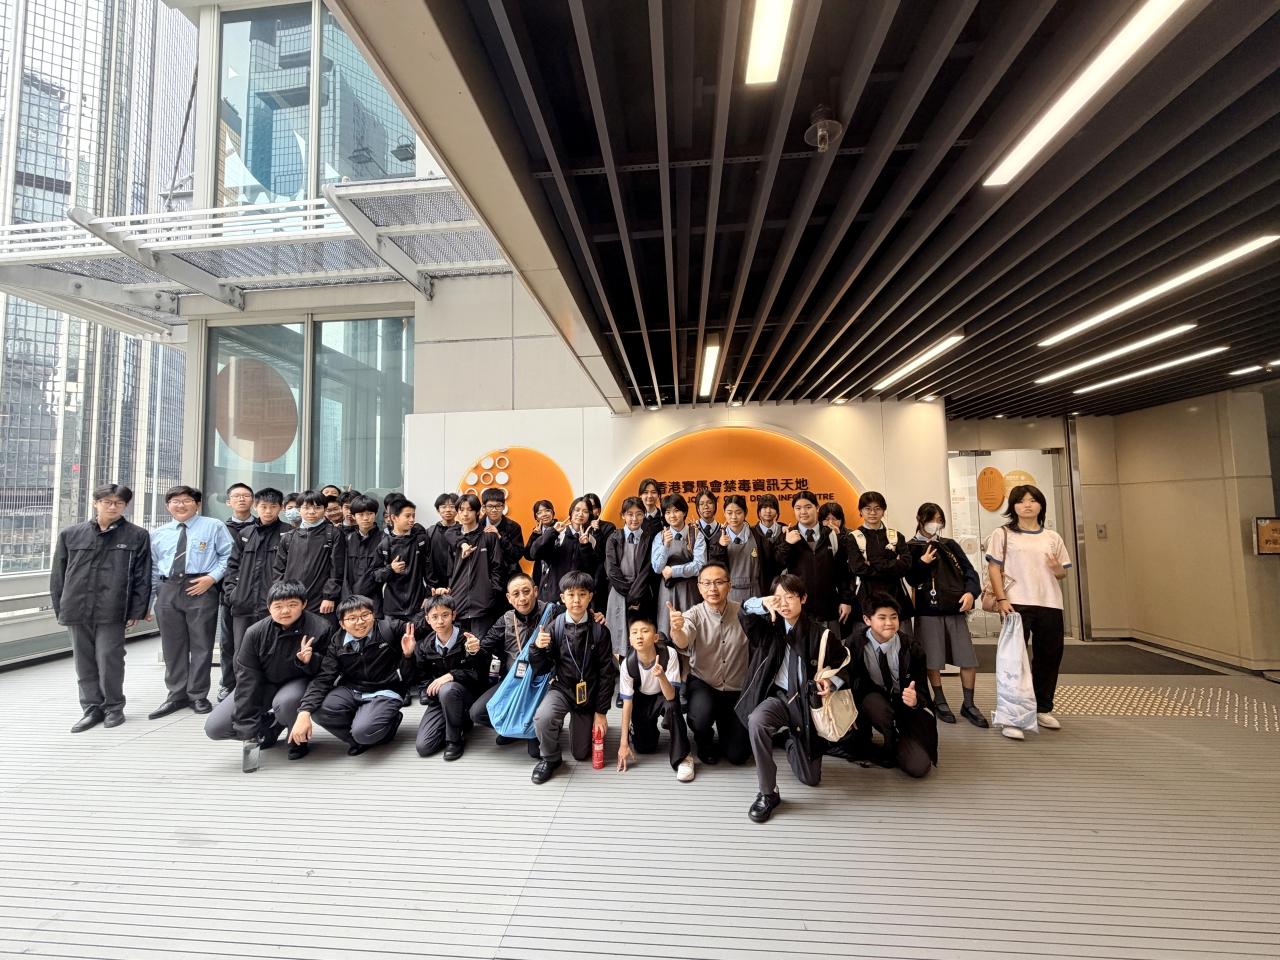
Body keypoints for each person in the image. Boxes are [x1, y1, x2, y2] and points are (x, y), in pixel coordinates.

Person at [737, 574, 850, 823]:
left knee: (810, 779)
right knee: (757, 721)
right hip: (778, 697)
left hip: (806, 706)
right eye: (778, 598)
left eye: (790, 597)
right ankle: (768, 792)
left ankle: (789, 740)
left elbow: (846, 666)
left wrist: (831, 682)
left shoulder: (821, 634)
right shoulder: (768, 627)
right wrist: (761, 604)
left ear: (803, 598)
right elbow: (744, 613)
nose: (784, 603)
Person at [50, 483, 152, 733]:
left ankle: (114, 707)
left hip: (113, 608)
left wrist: (136, 610)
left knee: (109, 658)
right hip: (76, 607)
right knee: (83, 661)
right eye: (107, 502)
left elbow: (143, 576)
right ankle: (91, 708)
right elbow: (58, 575)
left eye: (119, 503)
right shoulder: (71, 534)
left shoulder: (137, 535)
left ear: (125, 506)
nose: (113, 507)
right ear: (95, 503)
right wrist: (60, 608)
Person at [204, 580, 332, 762]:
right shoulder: (255, 632)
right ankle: (271, 725)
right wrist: (249, 729)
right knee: (215, 727)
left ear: (304, 604)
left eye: (292, 605)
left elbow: (327, 673)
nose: (285, 611)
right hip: (264, 683)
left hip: (299, 682)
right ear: (268, 607)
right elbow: (247, 678)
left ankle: (297, 740)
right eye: (278, 606)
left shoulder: (321, 628)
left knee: (286, 702)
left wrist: (309, 661)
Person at [986, 484, 1072, 739]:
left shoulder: (1053, 537)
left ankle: (1042, 708)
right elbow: (994, 569)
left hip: (1050, 603)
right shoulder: (1002, 534)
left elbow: (1063, 573)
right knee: (1014, 661)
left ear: (1041, 505)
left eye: (1032, 500)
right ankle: (1011, 716)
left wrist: (1057, 569)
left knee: (1049, 657)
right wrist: (1002, 599)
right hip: (1016, 604)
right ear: (1013, 507)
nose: (1027, 505)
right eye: (1021, 501)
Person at [148, 485, 235, 719]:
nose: (181, 505)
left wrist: (212, 578)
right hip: (168, 588)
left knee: (201, 645)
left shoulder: (214, 526)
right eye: (175, 501)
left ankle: (197, 694)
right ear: (168, 506)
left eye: (186, 500)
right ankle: (176, 694)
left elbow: (229, 556)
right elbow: (153, 568)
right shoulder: (158, 533)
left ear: (197, 504)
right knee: (172, 646)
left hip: (201, 587)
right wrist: (150, 602)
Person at [289, 595, 414, 756]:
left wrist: (408, 655)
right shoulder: (337, 642)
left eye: (365, 615)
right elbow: (324, 677)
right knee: (319, 711)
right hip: (353, 689)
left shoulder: (389, 628)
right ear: (342, 623)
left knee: (364, 731)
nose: (360, 622)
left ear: (373, 615)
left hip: (386, 689)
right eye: (352, 618)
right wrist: (304, 711)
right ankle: (359, 739)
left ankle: (385, 727)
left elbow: (425, 625)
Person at [528, 570, 616, 784]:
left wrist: (601, 712)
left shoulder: (600, 631)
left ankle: (584, 722)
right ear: (562, 597)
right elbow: (541, 668)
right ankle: (550, 758)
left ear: (590, 596)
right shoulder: (554, 627)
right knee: (543, 717)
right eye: (571, 594)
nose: (576, 600)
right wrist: (537, 648)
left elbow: (606, 674)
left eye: (582, 594)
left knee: (580, 754)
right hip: (562, 688)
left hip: (588, 693)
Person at [908, 502, 987, 728]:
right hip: (927, 611)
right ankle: (940, 700)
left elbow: (969, 571)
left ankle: (969, 703)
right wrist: (922, 563)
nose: (936, 524)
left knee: (967, 658)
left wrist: (971, 593)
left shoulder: (949, 545)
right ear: (920, 519)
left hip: (955, 608)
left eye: (939, 520)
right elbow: (910, 578)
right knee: (932, 659)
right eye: (932, 519)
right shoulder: (911, 546)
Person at [667, 562, 751, 766]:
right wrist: (676, 629)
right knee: (700, 716)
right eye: (706, 583)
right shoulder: (692, 615)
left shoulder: (744, 613)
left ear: (729, 585)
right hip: (704, 683)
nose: (712, 588)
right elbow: (683, 640)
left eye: (719, 582)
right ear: (699, 587)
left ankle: (726, 725)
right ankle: (704, 739)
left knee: (738, 755)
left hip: (736, 688)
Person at [849, 596, 937, 778]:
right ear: (867, 620)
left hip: (905, 709)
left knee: (919, 767)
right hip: (873, 703)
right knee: (873, 703)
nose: (889, 623)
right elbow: (848, 683)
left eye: (894, 617)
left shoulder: (912, 648)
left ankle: (896, 741)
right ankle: (881, 740)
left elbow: (922, 691)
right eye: (882, 618)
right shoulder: (854, 644)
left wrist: (915, 701)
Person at [472, 572, 550, 758]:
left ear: (535, 591)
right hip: (515, 682)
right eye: (516, 594)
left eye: (526, 591)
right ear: (508, 598)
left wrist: (594, 617)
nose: (522, 598)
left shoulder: (552, 612)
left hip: (543, 685)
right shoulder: (506, 620)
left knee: (535, 753)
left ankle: (538, 727)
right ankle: (516, 729)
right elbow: (484, 649)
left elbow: (575, 620)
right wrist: (474, 649)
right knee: (477, 713)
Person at [220, 488, 287, 702]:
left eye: (273, 507)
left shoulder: (288, 533)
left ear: (281, 508)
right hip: (244, 604)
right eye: (263, 506)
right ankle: (243, 696)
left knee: (272, 651)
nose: (268, 511)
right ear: (256, 507)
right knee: (242, 652)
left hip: (273, 606)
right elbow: (232, 566)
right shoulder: (246, 533)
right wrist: (232, 593)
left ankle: (269, 697)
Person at [410, 594, 489, 760]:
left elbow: (480, 675)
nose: (440, 621)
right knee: (424, 747)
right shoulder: (425, 645)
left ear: (453, 615)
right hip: (441, 698)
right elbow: (423, 679)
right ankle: (460, 720)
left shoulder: (468, 639)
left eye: (445, 615)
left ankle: (454, 740)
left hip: (468, 695)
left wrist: (453, 674)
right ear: (427, 619)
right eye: (434, 617)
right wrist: (408, 655)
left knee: (448, 689)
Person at [616, 617, 694, 782]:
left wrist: (661, 676)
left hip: (663, 696)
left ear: (655, 637)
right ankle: (640, 729)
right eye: (634, 633)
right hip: (642, 700)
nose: (639, 636)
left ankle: (683, 757)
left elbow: (671, 696)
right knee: (645, 747)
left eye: (645, 631)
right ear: (630, 639)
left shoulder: (668, 654)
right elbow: (627, 703)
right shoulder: (627, 664)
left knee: (673, 707)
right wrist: (624, 743)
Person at [774, 489, 853, 636]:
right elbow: (777, 566)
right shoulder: (787, 535)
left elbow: (842, 571)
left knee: (831, 647)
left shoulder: (831, 534)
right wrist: (787, 544)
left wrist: (846, 600)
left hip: (829, 608)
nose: (803, 512)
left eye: (808, 507)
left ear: (817, 508)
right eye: (798, 508)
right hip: (799, 609)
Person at [272, 490, 346, 624]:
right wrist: (282, 596)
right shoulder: (289, 537)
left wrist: (329, 596)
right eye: (306, 507)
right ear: (299, 509)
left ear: (325, 509)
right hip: (292, 599)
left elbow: (337, 569)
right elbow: (278, 570)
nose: (312, 512)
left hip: (322, 600)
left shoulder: (333, 534)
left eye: (317, 507)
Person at [444, 492, 507, 638]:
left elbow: (497, 567)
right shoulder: (454, 538)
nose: (465, 514)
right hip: (458, 603)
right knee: (459, 646)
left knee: (481, 646)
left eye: (470, 509)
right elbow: (450, 570)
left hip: (483, 605)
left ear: (478, 511)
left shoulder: (488, 536)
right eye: (461, 510)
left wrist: (492, 592)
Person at [603, 497, 658, 658]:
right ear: (623, 515)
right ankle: (623, 672)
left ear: (644, 515)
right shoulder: (614, 538)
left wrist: (635, 597)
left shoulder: (650, 538)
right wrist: (629, 596)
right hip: (618, 594)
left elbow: (647, 570)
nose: (634, 518)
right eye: (630, 514)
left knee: (642, 639)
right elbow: (611, 571)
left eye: (639, 514)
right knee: (619, 640)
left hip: (642, 594)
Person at [217, 483, 257, 703]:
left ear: (253, 501)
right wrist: (230, 592)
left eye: (246, 495)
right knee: (228, 642)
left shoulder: (260, 527)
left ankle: (251, 685)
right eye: (236, 496)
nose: (242, 499)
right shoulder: (221, 528)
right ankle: (228, 683)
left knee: (252, 641)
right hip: (230, 595)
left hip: (257, 595)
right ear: (228, 501)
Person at [849, 491, 914, 620]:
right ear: (861, 511)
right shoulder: (853, 538)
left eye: (877, 508)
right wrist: (893, 564)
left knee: (901, 632)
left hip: (897, 597)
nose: (872, 513)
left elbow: (906, 565)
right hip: (866, 598)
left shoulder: (896, 536)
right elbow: (858, 568)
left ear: (883, 511)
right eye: (868, 508)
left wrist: (871, 563)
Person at [651, 492, 705, 636]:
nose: (672, 516)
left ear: (684, 512)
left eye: (676, 511)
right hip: (667, 591)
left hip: (690, 590)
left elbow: (700, 565)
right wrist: (666, 546)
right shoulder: (660, 536)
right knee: (667, 631)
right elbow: (657, 568)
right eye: (668, 512)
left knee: (691, 630)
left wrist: (673, 571)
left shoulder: (696, 534)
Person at [528, 496, 599, 604]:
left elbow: (590, 570)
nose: (580, 514)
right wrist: (553, 532)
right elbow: (534, 553)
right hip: (552, 595)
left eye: (585, 511)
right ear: (571, 512)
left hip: (575, 598)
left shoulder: (591, 540)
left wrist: (585, 546)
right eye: (577, 510)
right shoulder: (559, 533)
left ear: (589, 515)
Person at [707, 494, 774, 603]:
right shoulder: (717, 538)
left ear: (745, 513)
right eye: (729, 513)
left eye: (738, 512)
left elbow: (771, 563)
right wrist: (720, 546)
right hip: (728, 594)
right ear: (724, 513)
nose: (733, 517)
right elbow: (713, 568)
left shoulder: (757, 535)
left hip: (755, 593)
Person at [380, 497, 431, 620]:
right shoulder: (384, 543)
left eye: (413, 516)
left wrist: (428, 596)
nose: (412, 519)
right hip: (392, 608)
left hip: (418, 606)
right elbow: (375, 574)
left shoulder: (421, 540)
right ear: (394, 518)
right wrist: (391, 569)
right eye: (407, 516)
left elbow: (430, 572)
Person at [343, 494, 387, 617]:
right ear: (353, 516)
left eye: (369, 514)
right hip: (349, 600)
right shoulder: (347, 539)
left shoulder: (385, 539)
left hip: (376, 601)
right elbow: (344, 573)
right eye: (361, 514)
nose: (365, 518)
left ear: (376, 514)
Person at [480, 487, 525, 585]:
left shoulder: (513, 527)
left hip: (508, 577)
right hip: (483, 576)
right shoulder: (478, 526)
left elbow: (516, 555)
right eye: (490, 506)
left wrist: (500, 537)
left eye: (498, 506)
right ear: (484, 508)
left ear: (504, 507)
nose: (494, 510)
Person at [582, 491, 616, 600]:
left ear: (599, 510)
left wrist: (597, 531)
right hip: (581, 578)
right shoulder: (579, 528)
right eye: (587, 508)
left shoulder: (608, 527)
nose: (590, 511)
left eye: (592, 507)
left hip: (600, 579)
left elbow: (604, 553)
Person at [425, 492, 459, 594]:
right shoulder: (430, 532)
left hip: (458, 585)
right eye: (443, 507)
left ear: (458, 509)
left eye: (452, 506)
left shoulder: (462, 531)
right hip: (434, 586)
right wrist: (431, 584)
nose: (448, 510)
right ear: (438, 510)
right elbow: (426, 560)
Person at [525, 499, 557, 591]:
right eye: (539, 513)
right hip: (539, 574)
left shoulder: (560, 528)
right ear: (536, 517)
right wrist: (535, 536)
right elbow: (528, 556)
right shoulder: (537, 531)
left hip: (556, 572)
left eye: (547, 510)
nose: (544, 514)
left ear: (553, 513)